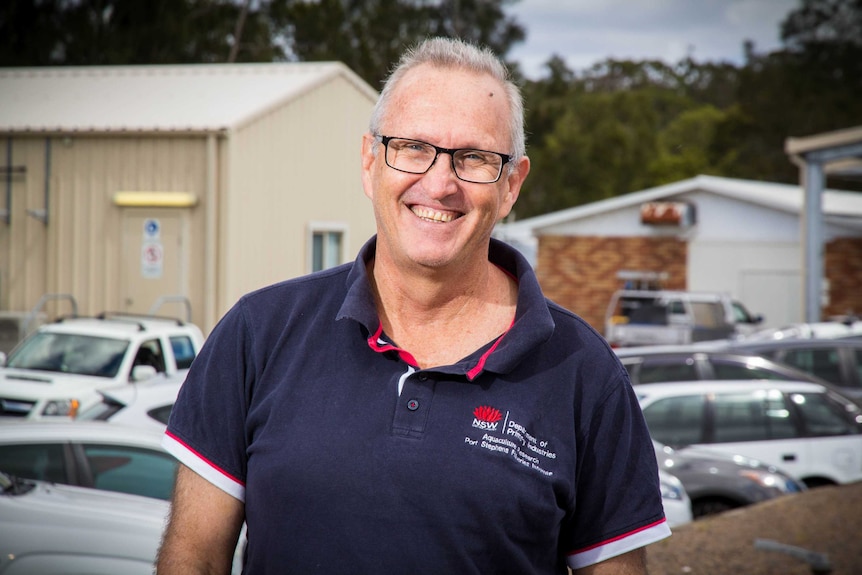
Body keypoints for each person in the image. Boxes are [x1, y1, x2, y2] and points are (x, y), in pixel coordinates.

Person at [156, 37, 671, 574]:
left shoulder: (586, 376)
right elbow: (193, 558)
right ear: (369, 161)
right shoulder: (257, 334)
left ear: (512, 185)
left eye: (474, 158)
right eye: (413, 147)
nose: (440, 182)